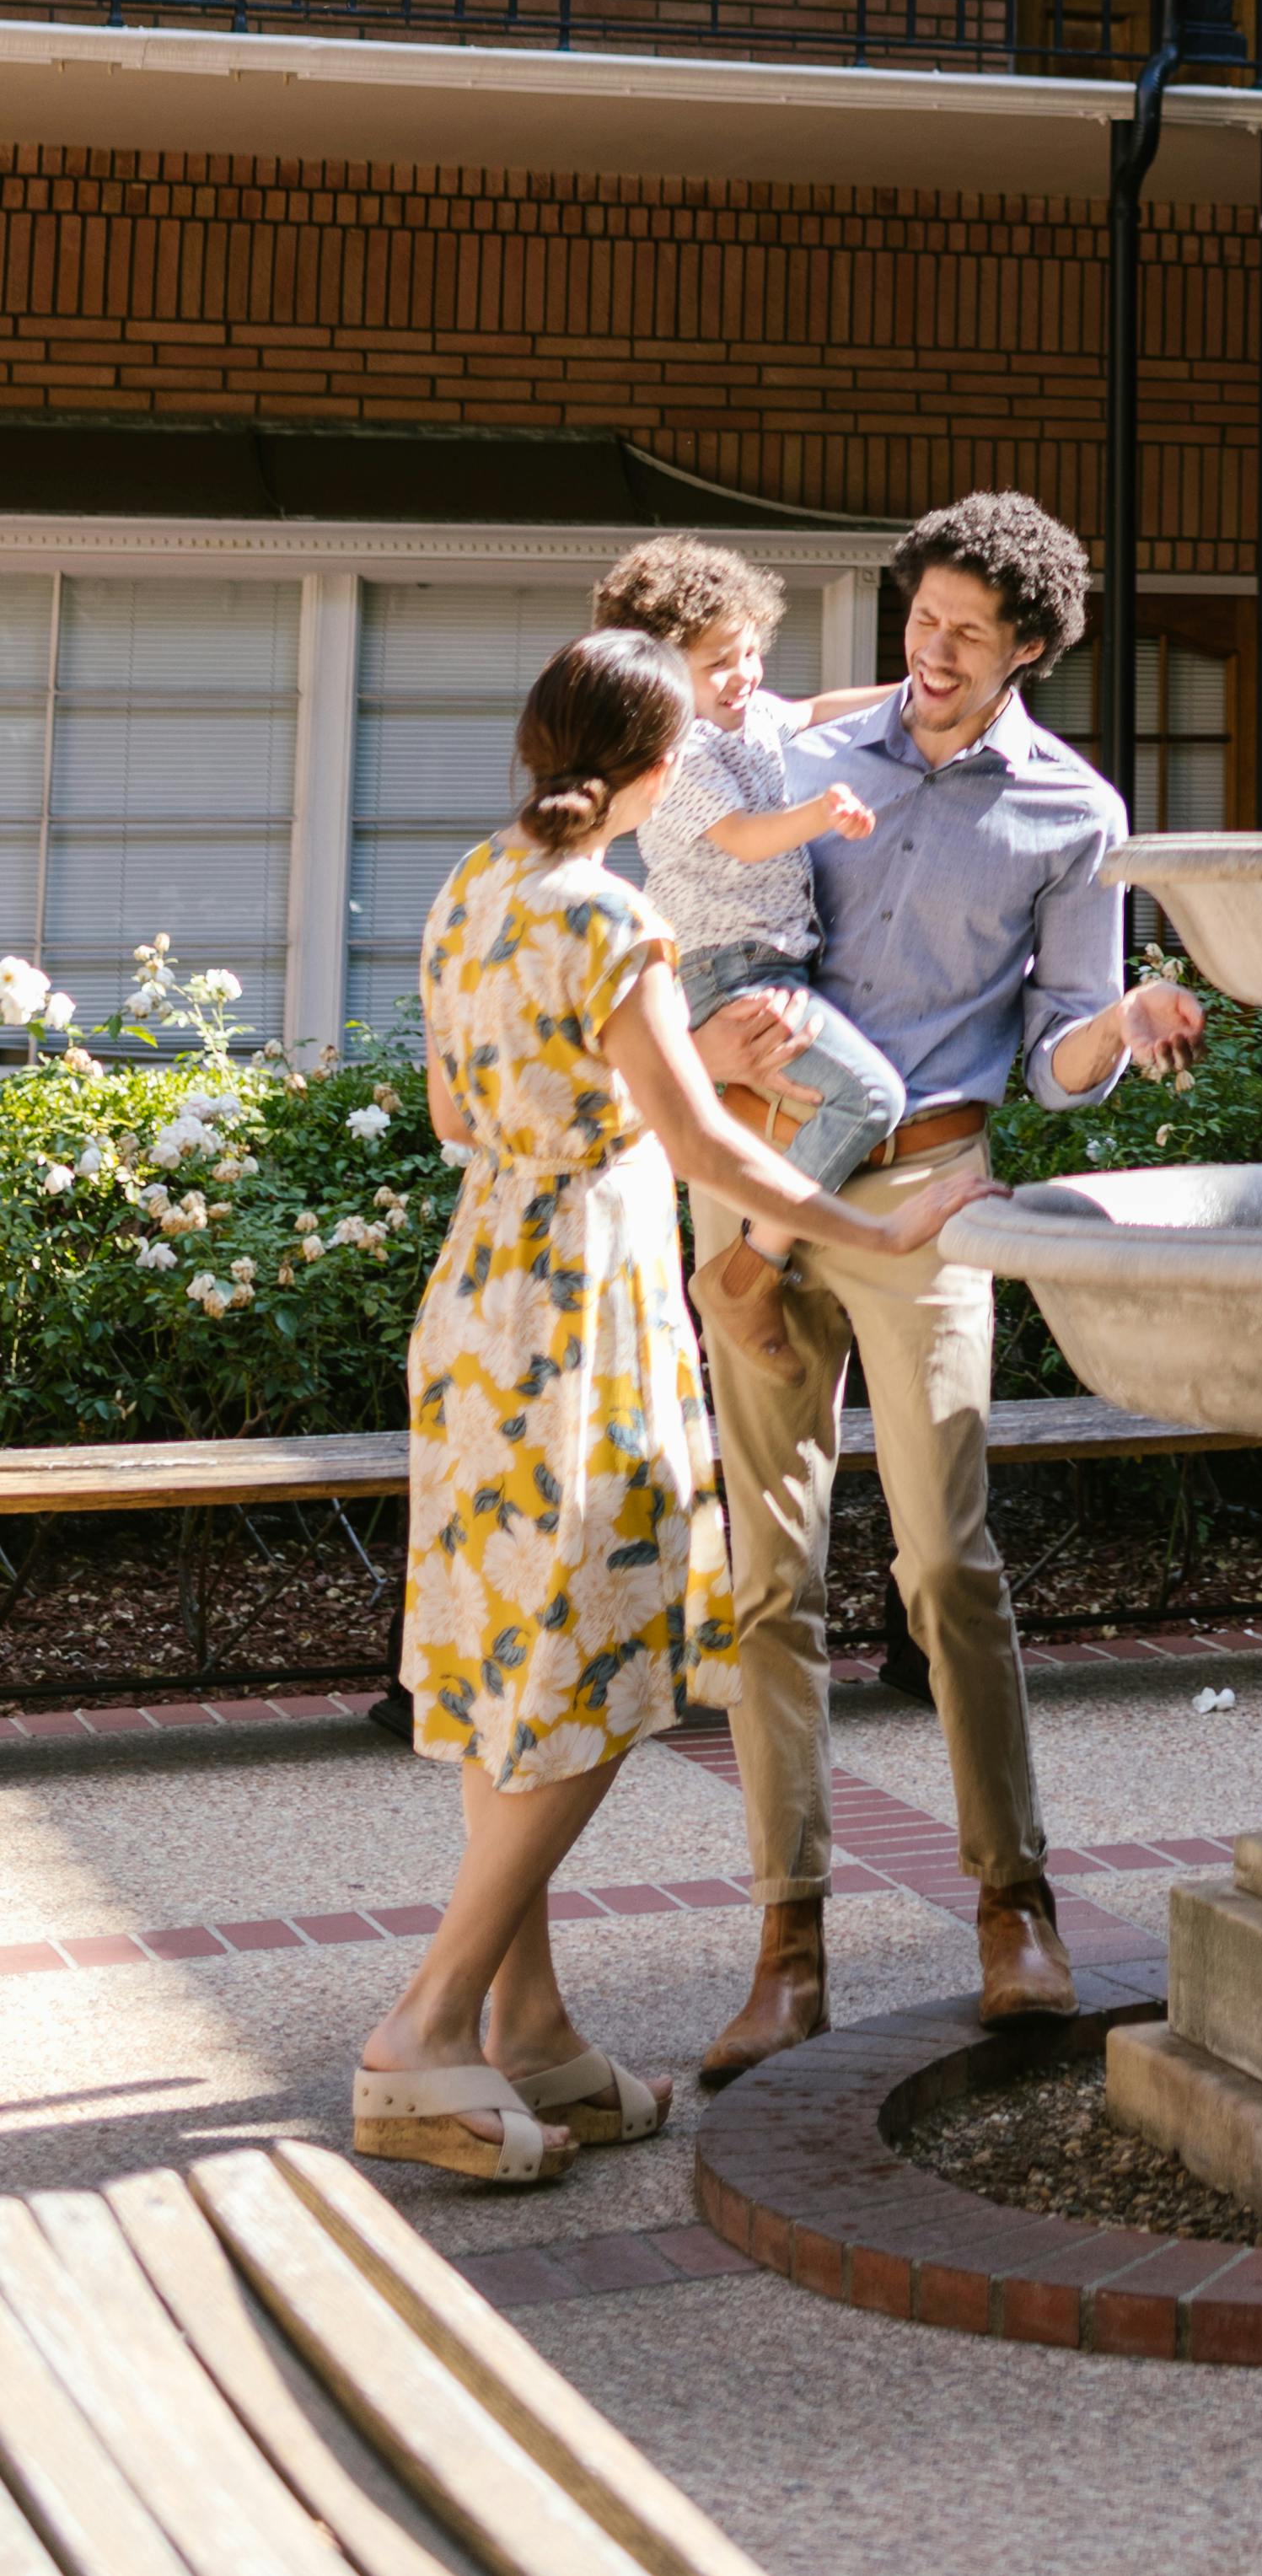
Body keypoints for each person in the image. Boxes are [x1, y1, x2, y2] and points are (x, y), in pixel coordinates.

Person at [361, 628, 995, 2187]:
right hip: (587, 1309)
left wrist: (632, 1082)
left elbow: (458, 1106)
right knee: (600, 1654)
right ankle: (422, 2032)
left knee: (517, 1646)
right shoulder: (615, 910)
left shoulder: (473, 885)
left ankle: (535, 2030)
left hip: (477, 1296)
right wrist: (878, 1227)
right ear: (650, 771)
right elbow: (707, 1146)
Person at [692, 490, 1208, 2085]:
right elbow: (704, 903)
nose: (928, 649)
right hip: (763, 1183)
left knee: (944, 1565)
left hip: (931, 1187)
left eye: (965, 631)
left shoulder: (1073, 812)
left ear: (1029, 647)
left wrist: (1118, 1027)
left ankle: (1014, 1905)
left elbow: (1057, 1055)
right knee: (768, 1583)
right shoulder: (810, 762)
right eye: (919, 619)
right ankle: (788, 1942)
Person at [589, 537, 902, 1375]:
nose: (745, 674)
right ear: (660, 676)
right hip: (732, 972)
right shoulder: (682, 749)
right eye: (719, 662)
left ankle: (756, 1260)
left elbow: (813, 710)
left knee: (814, 1102)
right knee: (871, 1097)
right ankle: (746, 1271)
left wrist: (915, 692)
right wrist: (823, 812)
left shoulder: (750, 713)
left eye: (751, 650)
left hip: (775, 965)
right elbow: (746, 837)